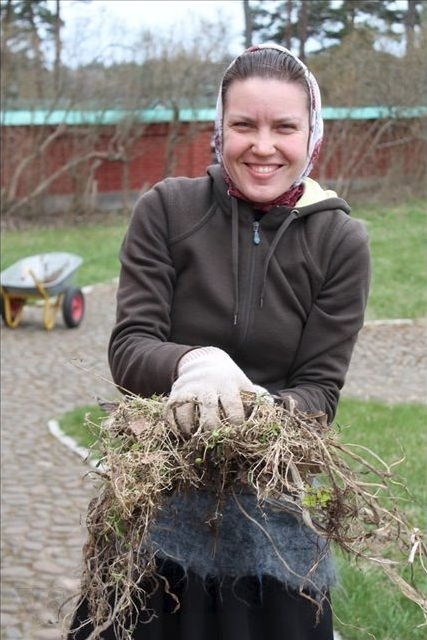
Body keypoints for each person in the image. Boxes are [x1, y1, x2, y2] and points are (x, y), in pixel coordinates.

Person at [68, 43, 371, 640]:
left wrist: (257, 413)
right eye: (244, 125)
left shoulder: (340, 242)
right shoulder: (167, 210)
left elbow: (320, 393)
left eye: (285, 127)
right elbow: (130, 348)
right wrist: (197, 364)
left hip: (271, 523)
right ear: (219, 128)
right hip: (157, 503)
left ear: (312, 134)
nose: (263, 146)